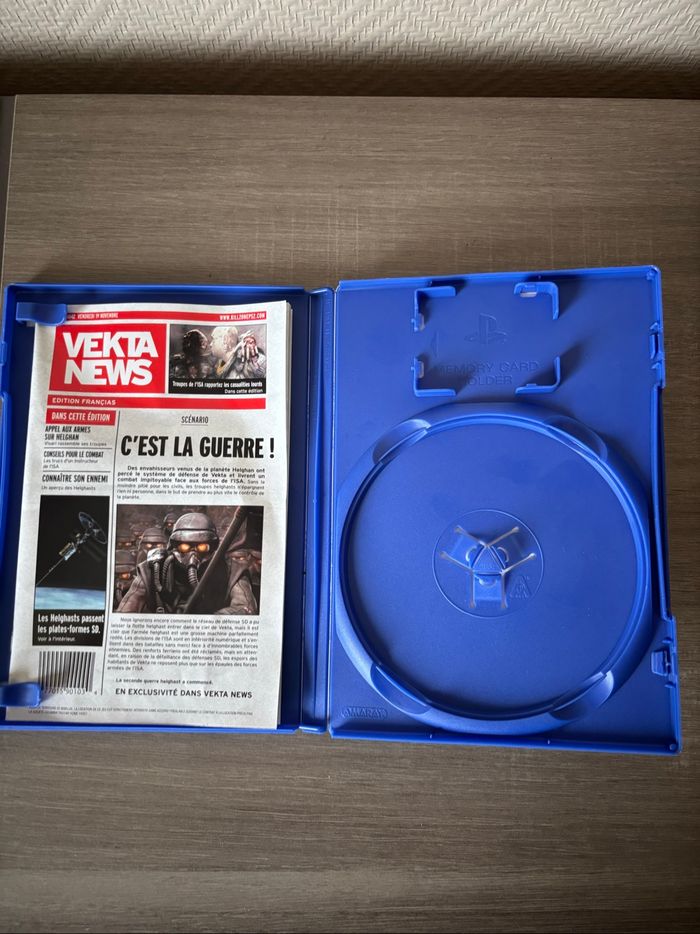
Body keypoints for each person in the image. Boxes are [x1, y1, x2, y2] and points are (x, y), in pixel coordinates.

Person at [117, 512, 258, 614]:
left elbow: (246, 608)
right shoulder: (153, 569)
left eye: (201, 547)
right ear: (174, 545)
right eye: (185, 546)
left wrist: (209, 621)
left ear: (212, 546)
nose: (193, 554)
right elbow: (126, 611)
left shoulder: (232, 570)